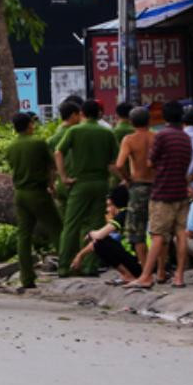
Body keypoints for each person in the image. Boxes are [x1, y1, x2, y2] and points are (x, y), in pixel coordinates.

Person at [128, 101, 193, 289]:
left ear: (164, 117)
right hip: (181, 191)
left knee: (157, 235)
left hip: (163, 192)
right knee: (181, 234)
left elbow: (150, 162)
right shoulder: (185, 138)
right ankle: (179, 276)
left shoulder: (162, 136)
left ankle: (146, 276)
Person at [55, 99, 118, 277]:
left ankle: (64, 266)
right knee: (96, 224)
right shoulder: (107, 133)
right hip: (100, 183)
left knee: (71, 225)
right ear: (99, 113)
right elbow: (113, 164)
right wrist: (125, 180)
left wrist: (64, 177)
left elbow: (58, 152)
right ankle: (90, 266)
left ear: (82, 113)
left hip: (79, 184)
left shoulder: (75, 131)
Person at [6, 111, 63, 291]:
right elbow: (51, 165)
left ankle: (26, 277)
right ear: (30, 125)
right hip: (37, 192)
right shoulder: (38, 143)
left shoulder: (11, 147)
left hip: (20, 193)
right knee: (56, 227)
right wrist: (52, 184)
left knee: (24, 234)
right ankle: (66, 266)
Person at [68, 185, 142, 284]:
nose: (107, 210)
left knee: (100, 243)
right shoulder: (132, 212)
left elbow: (99, 236)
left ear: (116, 204)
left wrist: (90, 233)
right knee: (102, 242)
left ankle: (128, 275)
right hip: (141, 262)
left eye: (109, 205)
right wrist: (80, 255)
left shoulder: (123, 215)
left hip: (138, 264)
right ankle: (128, 274)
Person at [113, 106, 155, 269]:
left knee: (137, 231)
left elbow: (119, 164)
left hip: (138, 186)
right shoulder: (156, 138)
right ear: (149, 121)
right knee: (157, 230)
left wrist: (127, 179)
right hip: (156, 186)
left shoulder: (129, 140)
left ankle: (144, 268)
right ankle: (159, 267)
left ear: (131, 122)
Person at [48, 100, 83, 216]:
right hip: (77, 182)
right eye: (79, 115)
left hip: (61, 185)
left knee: (65, 219)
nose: (81, 118)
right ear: (73, 115)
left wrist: (51, 185)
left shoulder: (52, 139)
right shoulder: (79, 134)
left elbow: (50, 166)